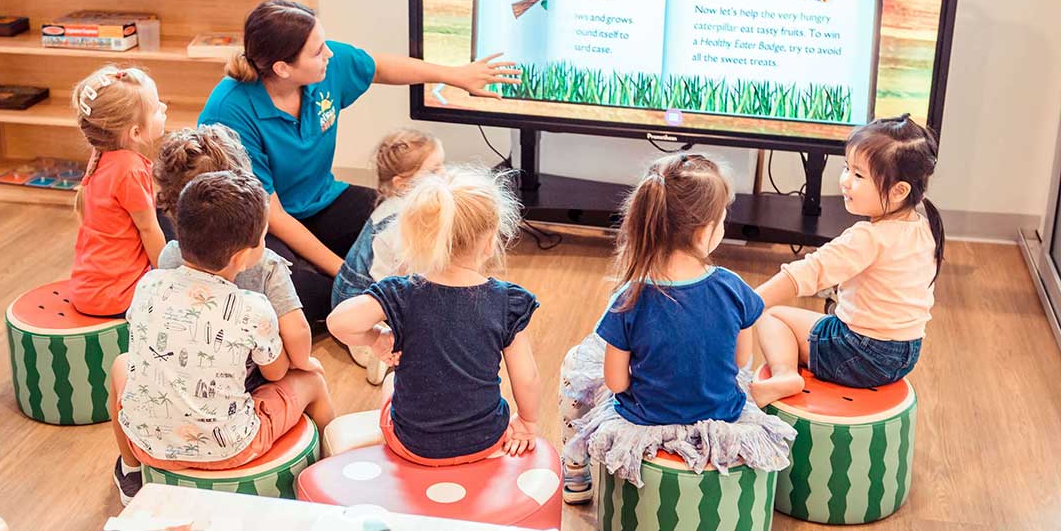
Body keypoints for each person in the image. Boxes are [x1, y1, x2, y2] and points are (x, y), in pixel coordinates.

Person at [199, 0, 519, 322]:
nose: (330, 53)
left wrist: (456, 76)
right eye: (317, 50)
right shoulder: (230, 111)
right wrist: (348, 274)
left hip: (323, 200)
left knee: (412, 221)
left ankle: (379, 299)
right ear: (283, 68)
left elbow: (378, 67)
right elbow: (275, 216)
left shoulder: (324, 69)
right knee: (297, 297)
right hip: (261, 227)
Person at [561, 154, 794, 498]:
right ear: (704, 232)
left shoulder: (630, 296)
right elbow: (740, 361)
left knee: (573, 365)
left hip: (645, 418)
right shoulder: (733, 287)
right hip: (719, 413)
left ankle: (575, 471)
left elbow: (616, 381)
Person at [108, 171, 335, 504]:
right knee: (311, 380)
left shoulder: (149, 284)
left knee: (121, 364)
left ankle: (130, 472)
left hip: (147, 444)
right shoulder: (253, 308)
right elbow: (275, 373)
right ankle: (331, 473)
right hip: (229, 447)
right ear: (241, 257)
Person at [327, 167, 542, 465]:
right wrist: (528, 423)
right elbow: (527, 377)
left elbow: (338, 322)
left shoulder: (401, 293)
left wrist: (376, 338)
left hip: (411, 444)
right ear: (491, 240)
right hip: (485, 439)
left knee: (391, 382)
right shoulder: (508, 301)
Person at [751, 115, 944, 407]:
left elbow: (807, 272)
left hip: (859, 352)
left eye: (858, 175)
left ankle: (784, 374)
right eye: (846, 168)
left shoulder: (868, 237)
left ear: (899, 190)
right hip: (905, 354)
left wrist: (748, 303)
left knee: (772, 315)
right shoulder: (925, 226)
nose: (845, 182)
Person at [152, 124, 316, 377]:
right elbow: (297, 333)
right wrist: (303, 362)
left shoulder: (170, 255)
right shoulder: (267, 267)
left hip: (181, 373)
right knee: (310, 380)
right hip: (245, 382)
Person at [332, 128, 444, 384]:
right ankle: (379, 352)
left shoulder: (406, 208)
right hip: (360, 317)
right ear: (402, 184)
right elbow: (395, 285)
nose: (443, 175)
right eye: (434, 171)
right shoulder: (396, 227)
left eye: (442, 166)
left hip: (365, 300)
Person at [69, 65, 167, 316]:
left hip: (88, 290)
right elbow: (149, 230)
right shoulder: (130, 169)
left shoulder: (102, 155)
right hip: (119, 296)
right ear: (135, 132)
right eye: (156, 109)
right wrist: (167, 280)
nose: (164, 108)